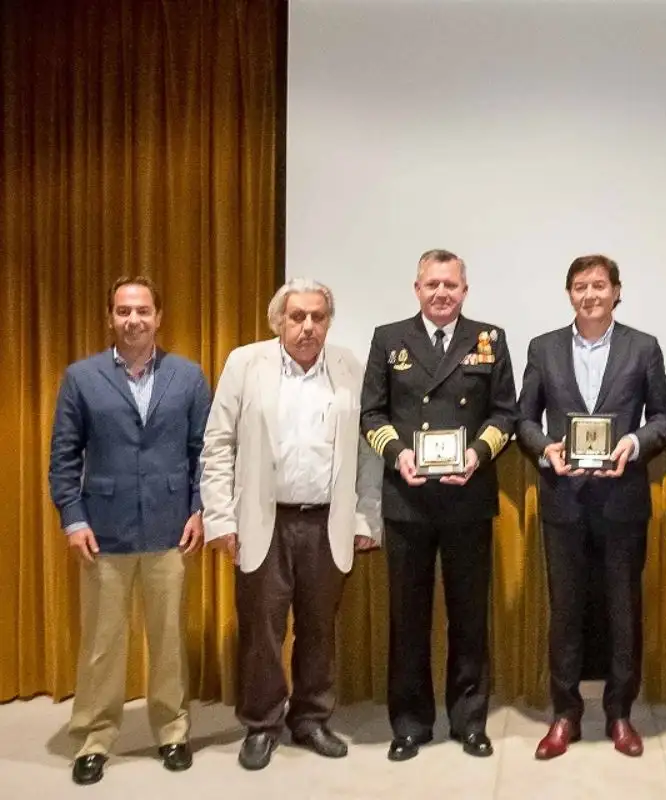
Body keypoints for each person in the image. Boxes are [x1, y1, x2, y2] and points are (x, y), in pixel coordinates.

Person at [200, 278, 382, 770]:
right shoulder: (245, 364)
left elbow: (367, 452)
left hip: (327, 522)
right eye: (297, 316)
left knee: (319, 628)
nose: (307, 327)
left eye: (318, 317)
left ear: (329, 322)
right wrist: (220, 517)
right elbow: (218, 444)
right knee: (262, 629)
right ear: (278, 320)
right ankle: (261, 724)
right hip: (264, 521)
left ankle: (311, 718)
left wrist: (366, 516)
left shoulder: (349, 367)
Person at [48, 276, 210, 785]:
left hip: (171, 528)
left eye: (142, 311)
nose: (133, 320)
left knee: (168, 641)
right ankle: (94, 738)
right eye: (123, 311)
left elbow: (204, 453)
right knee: (103, 644)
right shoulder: (81, 377)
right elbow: (63, 456)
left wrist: (200, 509)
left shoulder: (188, 376)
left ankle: (172, 732)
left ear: (159, 317)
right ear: (110, 317)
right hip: (104, 531)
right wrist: (73, 518)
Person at [360, 249, 517, 762]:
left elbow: (505, 414)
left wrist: (477, 455)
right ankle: (410, 724)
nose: (442, 293)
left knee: (470, 618)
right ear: (417, 289)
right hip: (407, 500)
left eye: (450, 284)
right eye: (432, 284)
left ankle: (470, 721)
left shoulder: (489, 339)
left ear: (464, 290)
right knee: (407, 620)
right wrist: (398, 454)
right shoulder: (389, 339)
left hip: (468, 498)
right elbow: (372, 413)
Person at [516, 254, 666, 760]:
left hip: (622, 501)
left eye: (599, 285)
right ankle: (565, 714)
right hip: (563, 500)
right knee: (564, 610)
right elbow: (524, 420)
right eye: (580, 286)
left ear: (616, 291)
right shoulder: (543, 347)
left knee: (623, 610)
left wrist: (633, 442)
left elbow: (663, 418)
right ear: (569, 294)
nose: (590, 294)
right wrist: (546, 449)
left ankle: (620, 713)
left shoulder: (643, 347)